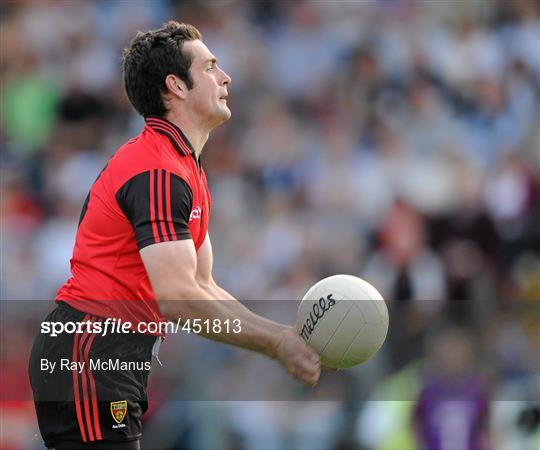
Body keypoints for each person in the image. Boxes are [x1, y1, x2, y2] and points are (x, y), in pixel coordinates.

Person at [28, 21, 321, 450]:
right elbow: (180, 299)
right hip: (89, 352)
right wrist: (275, 342)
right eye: (210, 67)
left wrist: (282, 334)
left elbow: (204, 287)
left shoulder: (185, 168)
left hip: (104, 357)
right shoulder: (158, 170)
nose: (226, 77)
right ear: (175, 86)